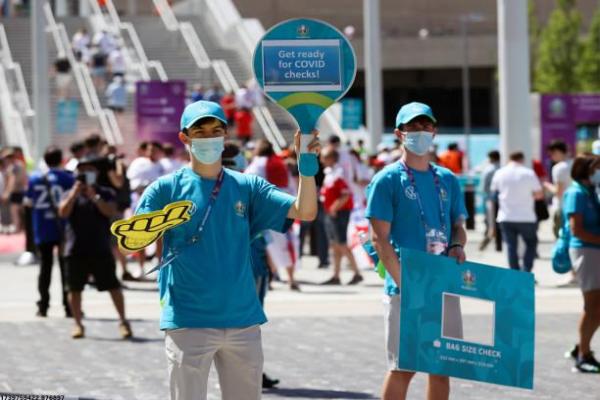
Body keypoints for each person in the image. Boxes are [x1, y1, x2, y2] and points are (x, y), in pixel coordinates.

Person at [130, 100, 319, 400]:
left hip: (242, 318)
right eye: (200, 131)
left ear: (225, 135)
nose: (208, 137)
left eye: (215, 130)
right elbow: (132, 240)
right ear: (184, 138)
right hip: (188, 319)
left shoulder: (248, 186)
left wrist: (306, 164)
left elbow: (305, 211)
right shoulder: (163, 189)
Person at [366, 102, 467, 400]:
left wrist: (458, 244)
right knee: (403, 367)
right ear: (400, 133)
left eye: (426, 126)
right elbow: (379, 240)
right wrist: (405, 284)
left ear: (434, 131)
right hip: (406, 287)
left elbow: (458, 225)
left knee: (441, 366)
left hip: (443, 284)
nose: (421, 132)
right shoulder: (387, 179)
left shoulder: (448, 179)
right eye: (413, 127)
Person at [58, 156, 132, 339]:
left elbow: (110, 211)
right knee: (74, 289)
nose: (85, 174)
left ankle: (123, 321)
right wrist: (75, 194)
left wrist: (94, 196)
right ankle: (77, 323)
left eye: (89, 170)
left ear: (96, 173)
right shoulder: (69, 193)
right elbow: (62, 212)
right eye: (81, 171)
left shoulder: (105, 192)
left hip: (100, 247)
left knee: (113, 286)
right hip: (75, 248)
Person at [245, 139, 300, 291]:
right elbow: (291, 186)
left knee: (268, 246)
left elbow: (248, 185)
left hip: (264, 210)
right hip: (284, 207)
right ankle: (290, 278)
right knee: (285, 245)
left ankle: (270, 278)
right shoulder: (280, 163)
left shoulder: (257, 164)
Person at [26, 147, 74, 318]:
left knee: (45, 268)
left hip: (42, 227)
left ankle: (43, 305)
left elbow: (29, 202)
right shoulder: (68, 178)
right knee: (65, 268)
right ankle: (69, 306)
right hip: (62, 227)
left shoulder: (35, 178)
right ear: (61, 159)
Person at [562, 156, 600, 373]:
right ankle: (583, 354)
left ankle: (581, 348)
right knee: (592, 305)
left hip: (593, 251)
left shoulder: (590, 191)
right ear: (586, 170)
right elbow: (577, 230)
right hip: (586, 252)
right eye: (597, 167)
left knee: (596, 307)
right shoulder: (576, 193)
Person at [490, 152, 544, 273]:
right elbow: (539, 195)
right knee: (531, 243)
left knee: (510, 246)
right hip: (526, 216)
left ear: (509, 159)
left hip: (505, 216)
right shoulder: (528, 173)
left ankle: (514, 273)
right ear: (522, 159)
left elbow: (494, 192)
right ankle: (526, 270)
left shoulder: (500, 173)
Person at [320, 146, 363, 285]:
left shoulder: (338, 173)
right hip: (333, 212)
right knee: (335, 245)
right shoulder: (330, 173)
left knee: (342, 244)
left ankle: (357, 273)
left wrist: (334, 208)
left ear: (332, 158)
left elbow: (345, 194)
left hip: (339, 213)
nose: (321, 160)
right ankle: (336, 274)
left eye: (324, 157)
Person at [545, 140, 573, 238]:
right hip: (576, 207)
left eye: (552, 154)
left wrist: (546, 185)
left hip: (561, 206)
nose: (551, 157)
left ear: (558, 151)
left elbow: (558, 192)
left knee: (561, 238)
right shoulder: (576, 164)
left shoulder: (558, 168)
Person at [479, 150, 502, 251]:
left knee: (491, 221)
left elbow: (484, 187)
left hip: (491, 199)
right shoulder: (502, 167)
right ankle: (498, 243)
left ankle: (489, 236)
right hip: (502, 200)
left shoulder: (489, 170)